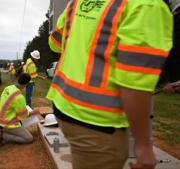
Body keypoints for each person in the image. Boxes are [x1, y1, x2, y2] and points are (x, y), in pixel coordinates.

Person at [48, 0, 173, 169]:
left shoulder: (77, 2)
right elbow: (135, 85)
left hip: (64, 106)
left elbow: (54, 44)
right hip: (98, 124)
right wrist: (143, 145)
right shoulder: (147, 5)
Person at [0, 73, 40, 147]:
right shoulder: (19, 97)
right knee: (29, 138)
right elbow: (23, 116)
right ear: (27, 84)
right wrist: (34, 112)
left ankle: (2, 130)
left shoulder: (8, 88)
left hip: (1, 120)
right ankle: (4, 136)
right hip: (8, 123)